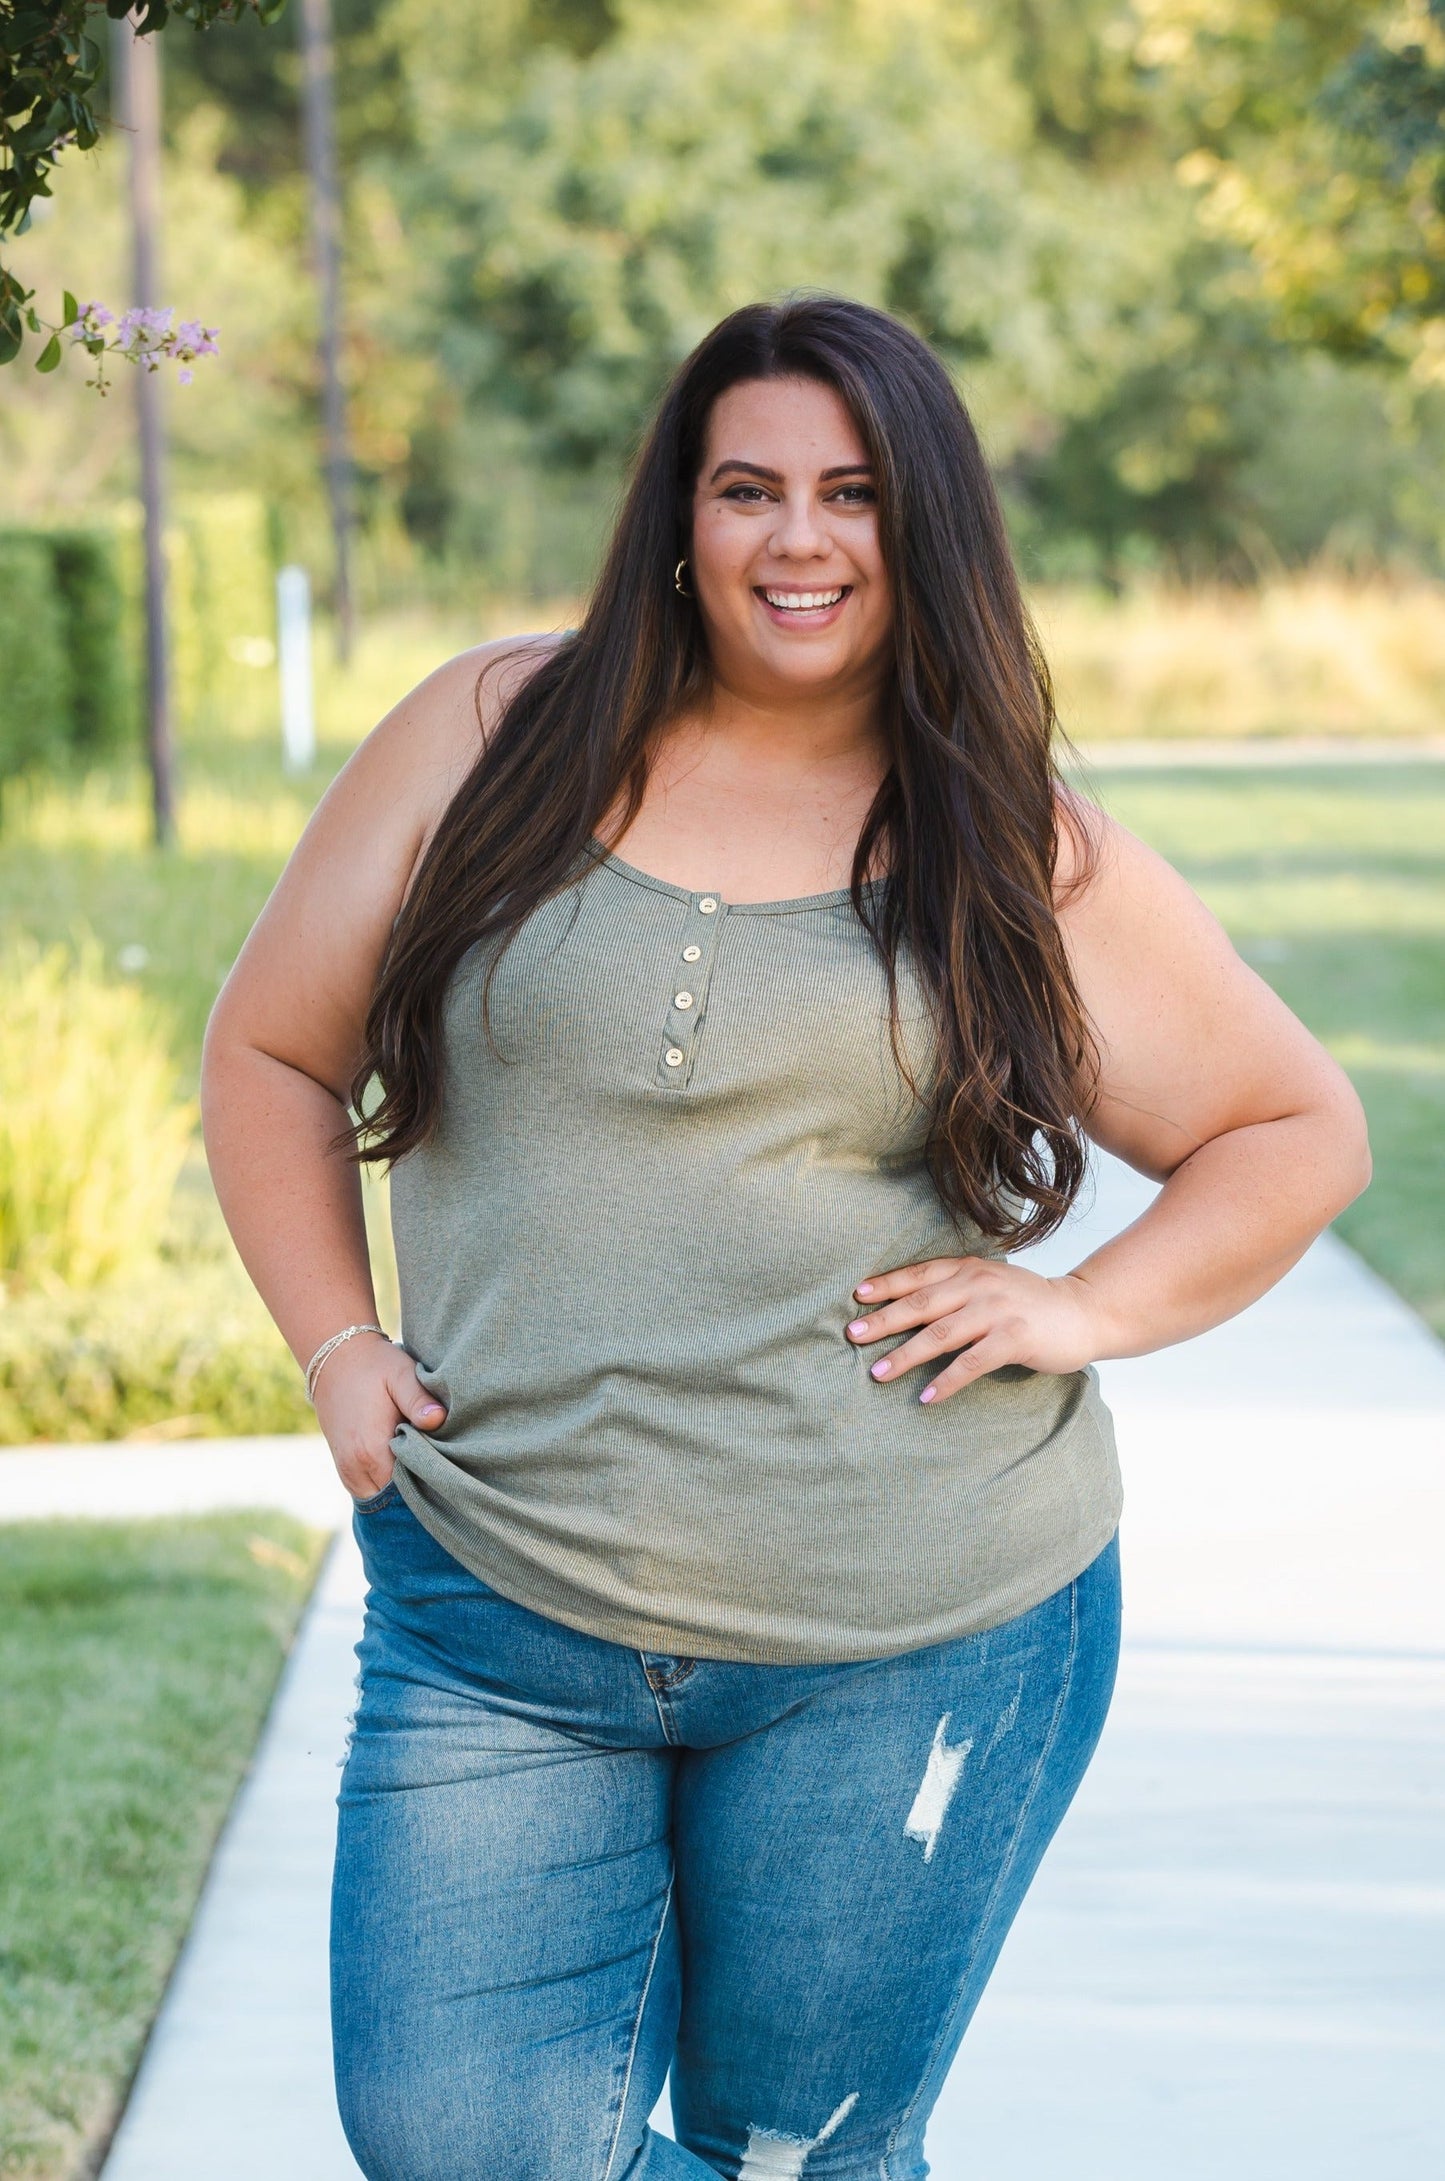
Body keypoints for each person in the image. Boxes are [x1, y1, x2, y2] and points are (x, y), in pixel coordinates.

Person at [201, 295, 1370, 2181]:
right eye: (748, 488)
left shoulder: (1004, 840)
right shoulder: (488, 735)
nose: (797, 539)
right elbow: (266, 1046)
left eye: (853, 494)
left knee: (796, 2149)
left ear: (924, 533)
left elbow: (1293, 1125)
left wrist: (1078, 1308)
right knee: (462, 2144)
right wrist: (338, 1342)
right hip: (499, 1607)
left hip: (911, 1630)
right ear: (682, 512)